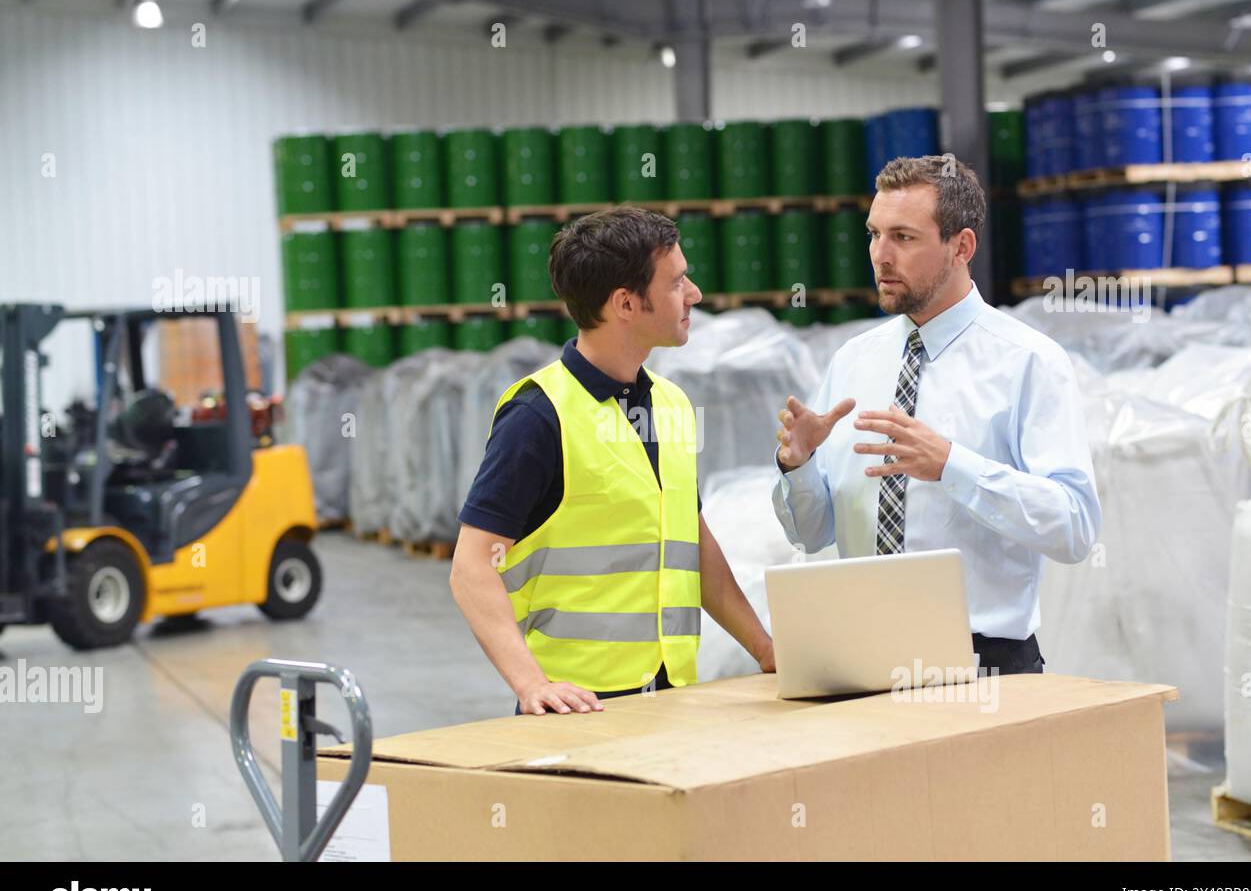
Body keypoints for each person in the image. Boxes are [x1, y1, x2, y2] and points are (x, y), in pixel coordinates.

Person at [772, 155, 1100, 675]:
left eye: (903, 237)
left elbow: (1074, 527)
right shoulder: (853, 362)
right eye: (874, 234)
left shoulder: (1028, 361)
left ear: (961, 246)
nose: (880, 256)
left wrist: (951, 465)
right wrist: (799, 466)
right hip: (862, 657)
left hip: (983, 667)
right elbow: (812, 534)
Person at [452, 206, 775, 715]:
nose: (694, 295)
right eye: (676, 283)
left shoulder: (670, 402)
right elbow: (472, 566)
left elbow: (690, 538)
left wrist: (764, 648)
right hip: (578, 709)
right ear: (626, 303)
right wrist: (532, 685)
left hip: (670, 697)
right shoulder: (538, 416)